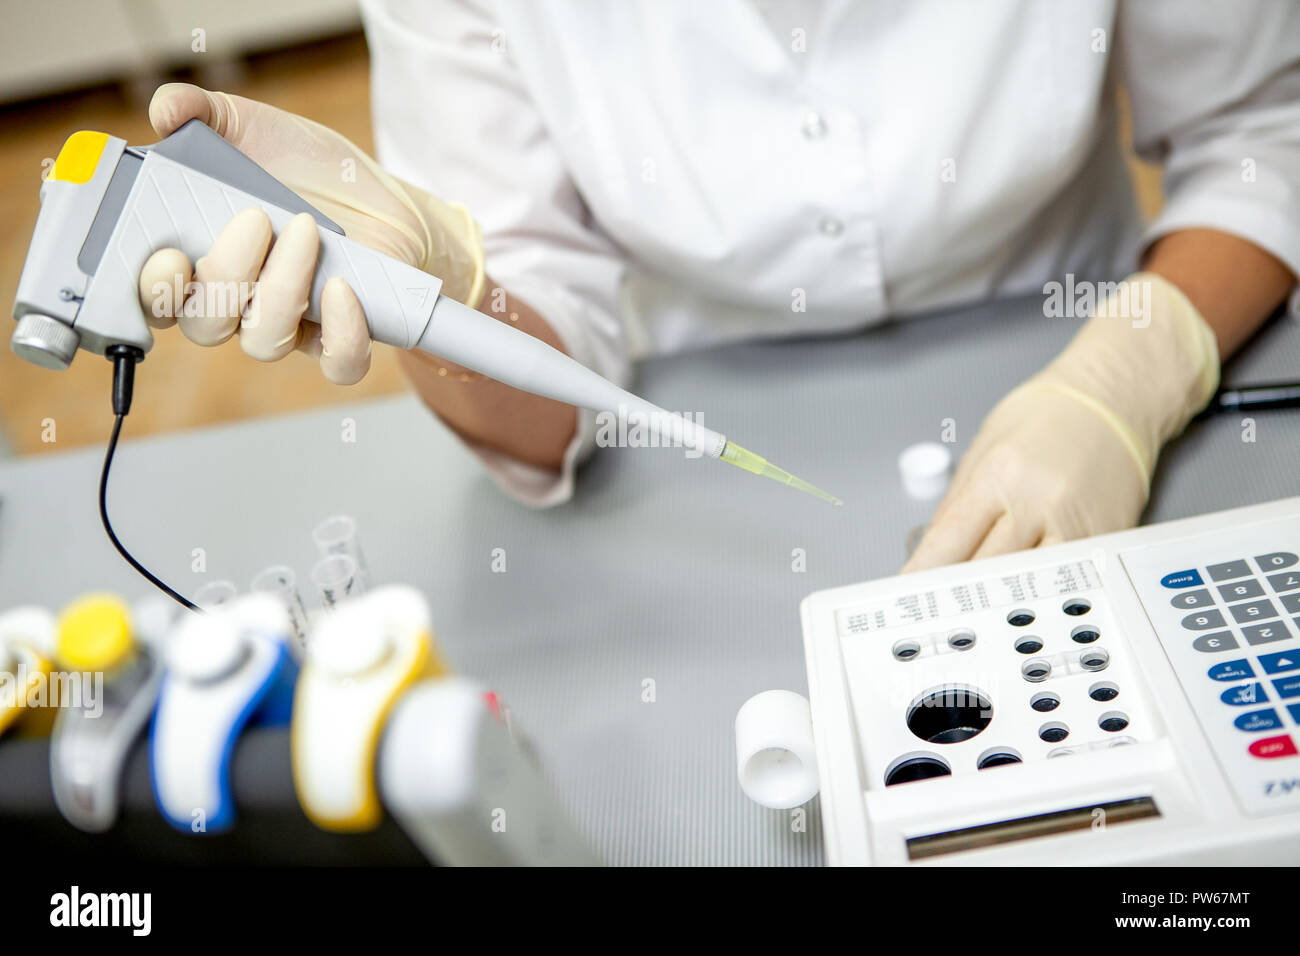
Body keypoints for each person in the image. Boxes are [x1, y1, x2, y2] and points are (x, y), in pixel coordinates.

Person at [139, 0, 1300, 571]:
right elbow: (543, 391)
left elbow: (1261, 131)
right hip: (675, 433)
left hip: (1084, 334)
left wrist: (1124, 383)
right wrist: (440, 295)